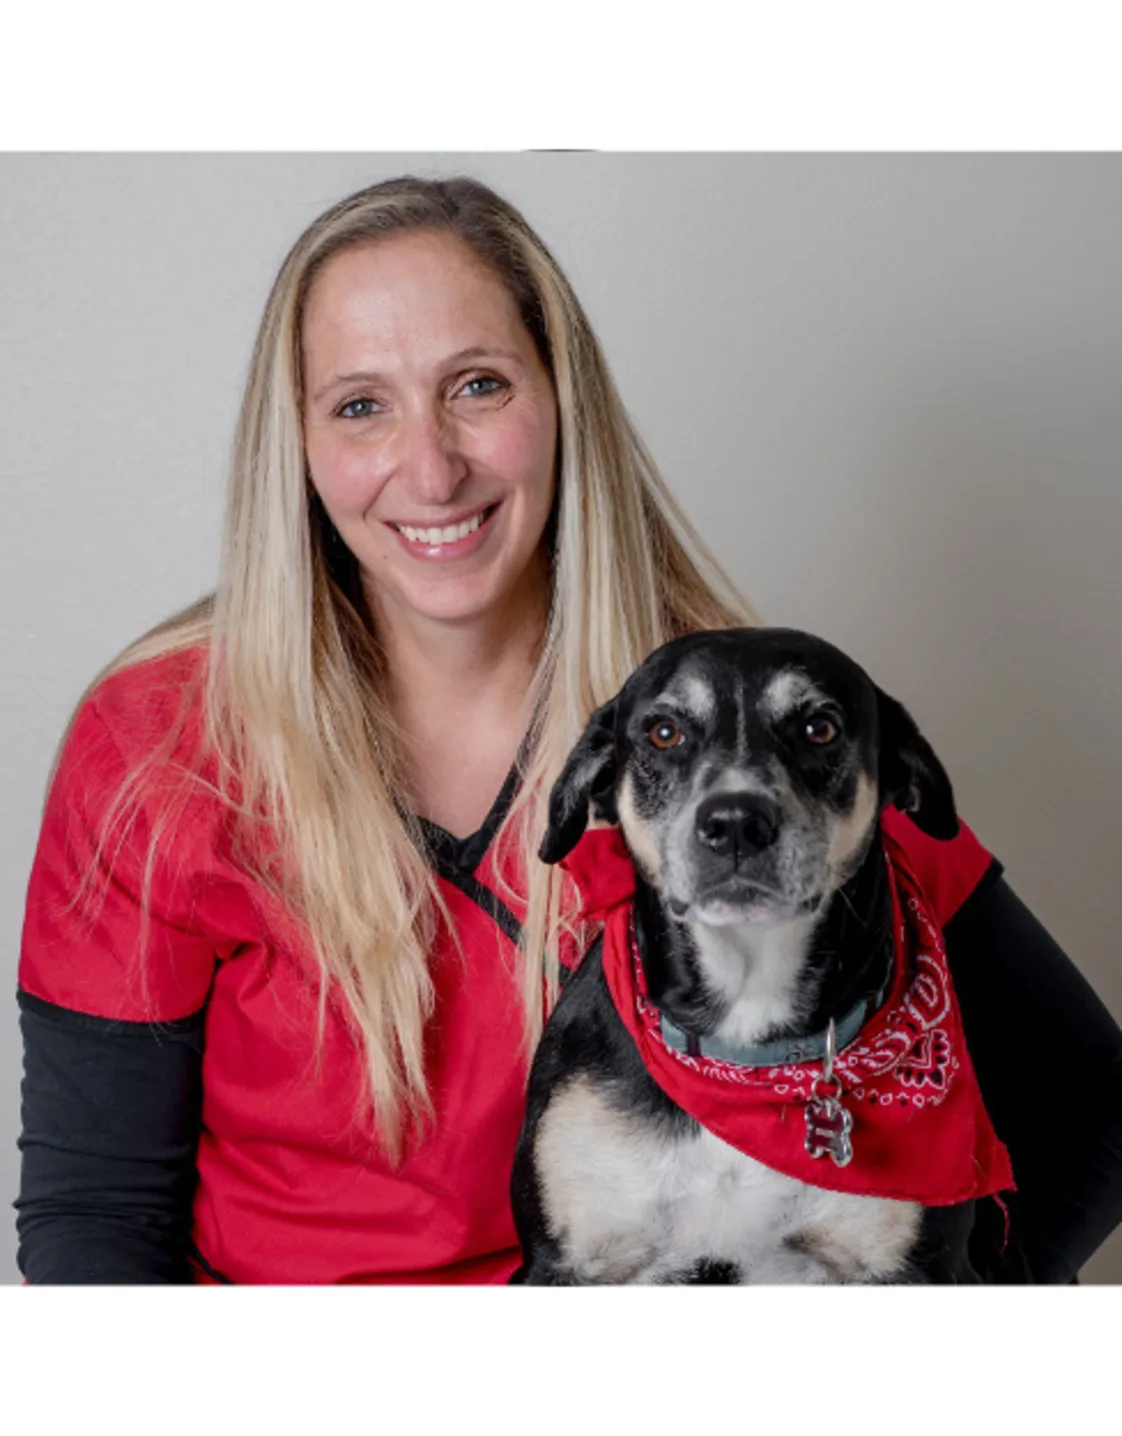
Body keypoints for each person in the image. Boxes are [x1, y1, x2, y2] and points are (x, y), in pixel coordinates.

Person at [14, 175, 1122, 1284]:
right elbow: (95, 1212)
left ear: (561, 402)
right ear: (294, 445)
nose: (433, 465)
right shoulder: (154, 744)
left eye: (478, 385)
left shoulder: (743, 731)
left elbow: (1093, 1096)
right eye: (360, 404)